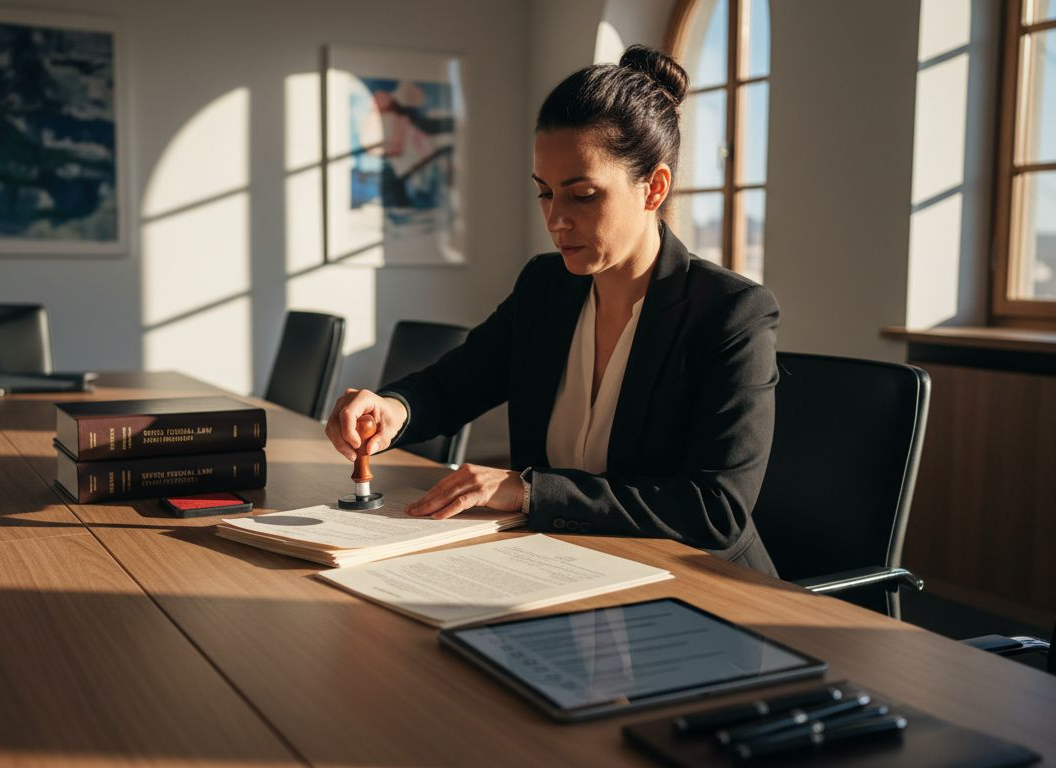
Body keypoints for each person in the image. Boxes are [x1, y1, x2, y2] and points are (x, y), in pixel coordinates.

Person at [324, 45, 781, 575]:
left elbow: (715, 510)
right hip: (566, 566)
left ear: (654, 188)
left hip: (701, 586)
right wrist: (394, 408)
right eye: (545, 194)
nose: (556, 219)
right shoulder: (546, 286)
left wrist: (528, 491)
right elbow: (456, 384)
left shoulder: (730, 313)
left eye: (583, 195)